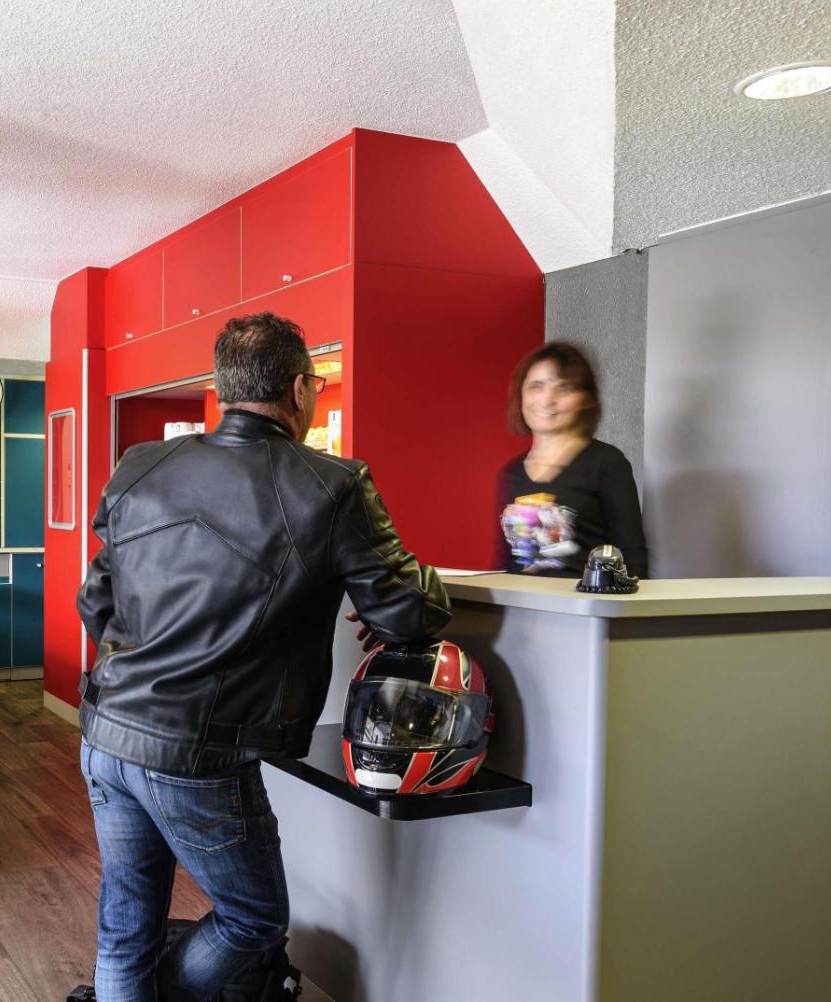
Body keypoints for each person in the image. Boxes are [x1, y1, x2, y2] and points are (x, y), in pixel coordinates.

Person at [76, 313, 450, 1001]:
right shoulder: (333, 485)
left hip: (105, 731)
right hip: (198, 752)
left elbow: (96, 601)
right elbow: (407, 613)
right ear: (301, 389)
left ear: (224, 386)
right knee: (255, 919)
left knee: (126, 925)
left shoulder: (140, 466)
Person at [496, 341, 649, 578]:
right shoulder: (511, 472)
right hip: (518, 602)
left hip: (585, 601)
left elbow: (633, 563)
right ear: (520, 394)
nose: (548, 399)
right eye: (536, 386)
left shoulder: (607, 463)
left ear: (585, 399)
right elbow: (504, 568)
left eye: (564, 388)